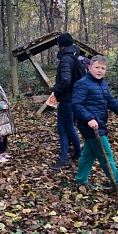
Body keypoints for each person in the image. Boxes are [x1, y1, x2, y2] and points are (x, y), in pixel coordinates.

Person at [72, 55, 118, 198]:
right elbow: (76, 104)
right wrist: (89, 118)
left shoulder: (102, 84)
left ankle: (81, 181)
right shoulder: (82, 84)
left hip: (99, 124)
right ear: (89, 67)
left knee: (89, 154)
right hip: (91, 126)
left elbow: (111, 102)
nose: (100, 70)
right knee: (106, 155)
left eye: (103, 68)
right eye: (97, 67)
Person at [50, 33, 81, 170]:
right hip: (74, 99)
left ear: (60, 45)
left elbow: (66, 80)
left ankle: (63, 159)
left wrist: (56, 90)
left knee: (64, 129)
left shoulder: (65, 59)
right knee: (69, 127)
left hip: (67, 100)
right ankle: (78, 153)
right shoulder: (75, 57)